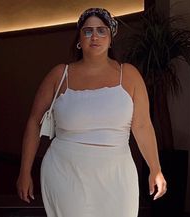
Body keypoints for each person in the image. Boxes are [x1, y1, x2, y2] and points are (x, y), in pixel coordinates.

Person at [16, 7, 167, 217]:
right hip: (65, 172)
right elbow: (34, 121)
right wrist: (25, 172)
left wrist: (155, 168)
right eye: (87, 31)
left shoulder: (129, 75)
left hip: (117, 173)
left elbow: (142, 125)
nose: (94, 36)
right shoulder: (60, 75)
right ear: (79, 38)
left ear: (111, 37)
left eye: (101, 30)